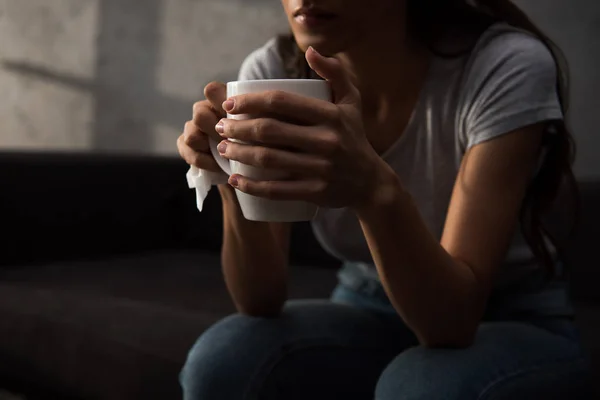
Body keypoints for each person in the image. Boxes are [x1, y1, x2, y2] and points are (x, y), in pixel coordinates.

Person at [176, 0, 592, 398]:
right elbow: (259, 301)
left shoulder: (503, 65)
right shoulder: (275, 74)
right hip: (367, 297)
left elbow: (451, 324)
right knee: (225, 357)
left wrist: (374, 191)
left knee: (423, 384)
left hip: (507, 312)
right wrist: (231, 176)